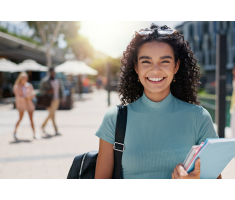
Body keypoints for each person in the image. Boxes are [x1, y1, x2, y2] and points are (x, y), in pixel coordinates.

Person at [94, 24, 221, 179]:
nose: (155, 69)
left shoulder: (199, 118)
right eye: (146, 62)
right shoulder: (114, 119)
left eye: (165, 61)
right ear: (136, 67)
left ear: (176, 66)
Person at [13, 72, 40, 140]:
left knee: (31, 119)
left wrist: (32, 95)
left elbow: (32, 92)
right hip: (21, 105)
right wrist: (26, 97)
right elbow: (18, 97)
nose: (25, 79)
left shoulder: (28, 85)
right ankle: (15, 131)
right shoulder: (17, 86)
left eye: (26, 78)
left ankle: (34, 133)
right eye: (24, 78)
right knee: (20, 118)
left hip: (29, 104)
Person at [40, 67, 65, 136]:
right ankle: (56, 130)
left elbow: (61, 89)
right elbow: (41, 90)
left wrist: (62, 98)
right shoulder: (45, 81)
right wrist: (49, 91)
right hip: (50, 100)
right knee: (53, 115)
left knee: (51, 114)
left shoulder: (58, 79)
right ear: (50, 72)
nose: (53, 73)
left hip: (57, 99)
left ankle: (43, 125)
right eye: (52, 72)